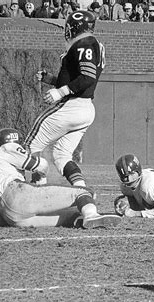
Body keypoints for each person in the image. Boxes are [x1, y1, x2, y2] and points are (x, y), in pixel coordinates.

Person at [25, 10, 105, 188]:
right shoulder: (90, 44)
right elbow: (77, 79)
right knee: (62, 155)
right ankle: (81, 191)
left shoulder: (84, 43)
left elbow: (87, 78)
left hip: (71, 106)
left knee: (30, 146)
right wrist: (51, 80)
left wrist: (60, 92)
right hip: (85, 109)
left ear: (75, 27)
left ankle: (37, 187)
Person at [0, 128, 121, 228]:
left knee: (70, 216)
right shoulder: (7, 148)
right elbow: (41, 165)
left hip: (11, 218)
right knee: (83, 192)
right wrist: (41, 180)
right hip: (17, 194)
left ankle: (82, 220)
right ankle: (92, 216)